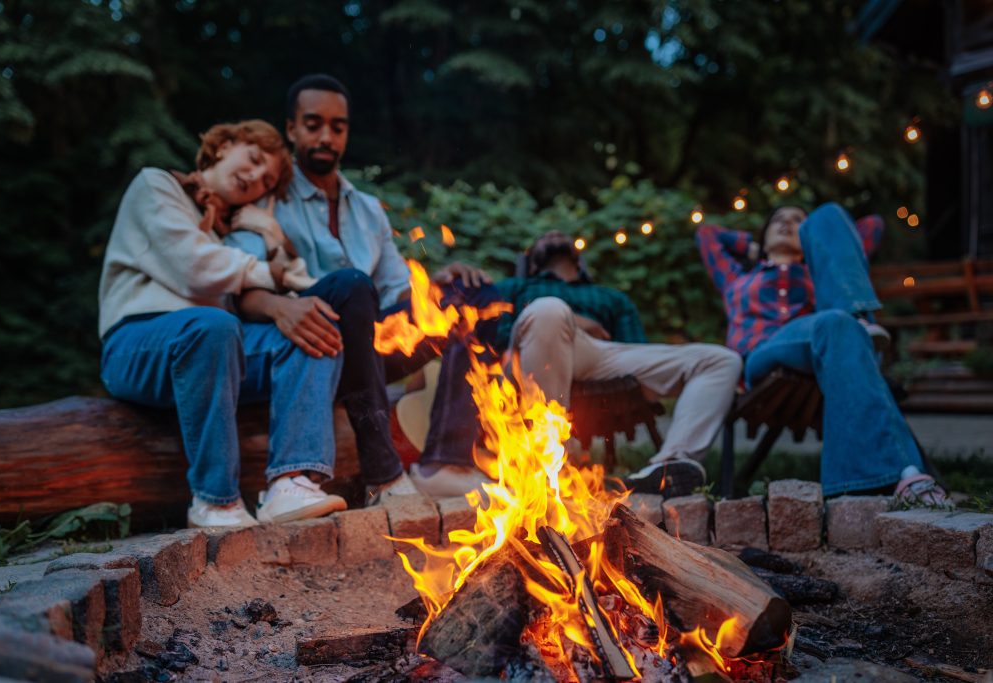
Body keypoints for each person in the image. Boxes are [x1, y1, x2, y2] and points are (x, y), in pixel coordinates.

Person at [230, 74, 503, 502]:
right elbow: (238, 284)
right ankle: (383, 474)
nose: (326, 136)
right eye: (313, 124)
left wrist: (436, 291)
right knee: (352, 287)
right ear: (291, 129)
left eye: (337, 127)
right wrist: (278, 308)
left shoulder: (366, 209)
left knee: (471, 298)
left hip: (371, 349)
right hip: (310, 347)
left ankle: (446, 462)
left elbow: (397, 289)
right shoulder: (269, 198)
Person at [99, 119, 348, 528]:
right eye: (252, 159)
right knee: (212, 326)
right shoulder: (157, 186)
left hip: (219, 348)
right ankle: (216, 500)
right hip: (136, 344)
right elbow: (195, 267)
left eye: (266, 179)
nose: (254, 177)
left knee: (312, 330)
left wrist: (267, 231)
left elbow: (287, 292)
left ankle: (292, 481)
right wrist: (275, 273)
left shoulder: (234, 230)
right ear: (222, 146)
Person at [696, 202, 948, 504]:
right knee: (839, 325)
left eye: (797, 222)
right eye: (779, 220)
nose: (788, 224)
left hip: (824, 342)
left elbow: (873, 225)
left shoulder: (821, 271)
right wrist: (754, 247)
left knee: (829, 222)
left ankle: (855, 488)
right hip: (761, 353)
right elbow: (707, 234)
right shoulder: (736, 276)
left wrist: (815, 235)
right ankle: (902, 472)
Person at [495, 230, 744, 497]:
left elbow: (634, 345)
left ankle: (669, 465)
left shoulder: (610, 297)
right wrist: (575, 321)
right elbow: (495, 335)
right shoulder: (515, 287)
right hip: (536, 348)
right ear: (532, 262)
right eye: (545, 236)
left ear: (580, 260)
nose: (555, 234)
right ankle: (546, 462)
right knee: (548, 310)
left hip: (599, 354)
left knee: (721, 360)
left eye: (561, 234)